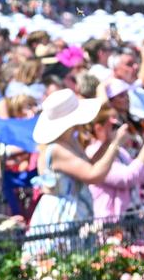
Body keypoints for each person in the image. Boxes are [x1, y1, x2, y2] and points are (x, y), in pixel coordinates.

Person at [28, 90, 129, 227]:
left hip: (75, 213)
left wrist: (108, 143)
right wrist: (115, 145)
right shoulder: (57, 149)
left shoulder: (70, 141)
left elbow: (90, 165)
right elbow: (93, 175)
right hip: (61, 217)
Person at [85, 106, 144, 219]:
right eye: (114, 126)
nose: (121, 129)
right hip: (111, 224)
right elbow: (127, 178)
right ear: (99, 129)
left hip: (132, 221)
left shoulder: (121, 151)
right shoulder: (93, 152)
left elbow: (142, 177)